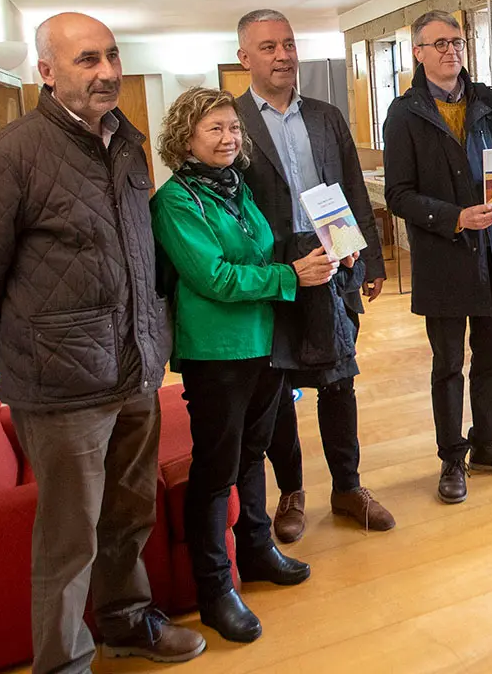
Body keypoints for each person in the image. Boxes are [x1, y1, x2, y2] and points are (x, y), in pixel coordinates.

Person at [0, 12, 205, 672]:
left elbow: (137, 255)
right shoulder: (4, 158)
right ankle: (64, 664)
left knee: (127, 519)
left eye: (112, 57)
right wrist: (27, 359)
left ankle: (127, 623)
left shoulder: (127, 144)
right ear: (47, 72)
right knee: (67, 544)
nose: (107, 72)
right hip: (60, 394)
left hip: (137, 372)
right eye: (88, 60)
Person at [151, 87, 331, 642]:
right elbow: (213, 277)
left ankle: (255, 551)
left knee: (252, 455)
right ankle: (214, 588)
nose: (229, 138)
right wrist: (289, 278)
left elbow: (256, 250)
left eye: (233, 128)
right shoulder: (176, 201)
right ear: (186, 138)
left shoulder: (236, 189)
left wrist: (319, 254)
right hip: (217, 352)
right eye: (215, 130)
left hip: (263, 341)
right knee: (214, 471)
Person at [232, 9, 395, 538]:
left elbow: (349, 186)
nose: (282, 55)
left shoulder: (325, 116)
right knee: (277, 389)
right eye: (268, 47)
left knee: (338, 381)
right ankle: (291, 493)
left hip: (334, 263)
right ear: (245, 58)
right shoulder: (233, 122)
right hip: (275, 270)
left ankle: (347, 487)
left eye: (288, 44)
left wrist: (367, 257)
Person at [384, 10, 492, 504]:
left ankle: (487, 444)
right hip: (445, 256)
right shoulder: (403, 113)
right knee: (449, 364)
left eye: (457, 41)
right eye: (439, 43)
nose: (451, 50)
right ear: (419, 52)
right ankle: (452, 457)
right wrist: (455, 217)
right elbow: (399, 195)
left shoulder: (489, 101)